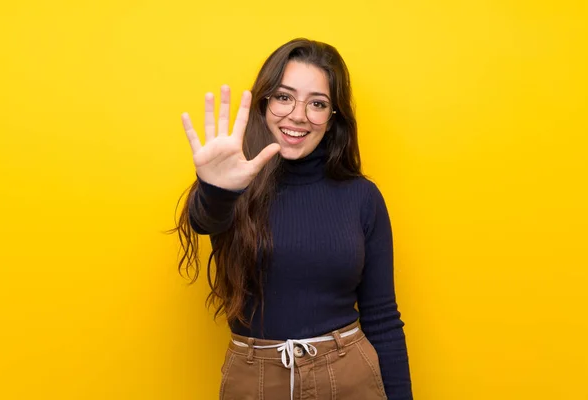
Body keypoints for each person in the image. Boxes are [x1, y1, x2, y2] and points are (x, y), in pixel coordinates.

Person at [175, 38, 413, 400]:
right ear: (265, 102)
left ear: (333, 120)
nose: (298, 115)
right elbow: (204, 220)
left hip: (348, 376)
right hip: (253, 380)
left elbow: (383, 319)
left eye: (317, 104)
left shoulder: (362, 197)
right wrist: (217, 189)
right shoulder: (233, 183)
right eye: (285, 97)